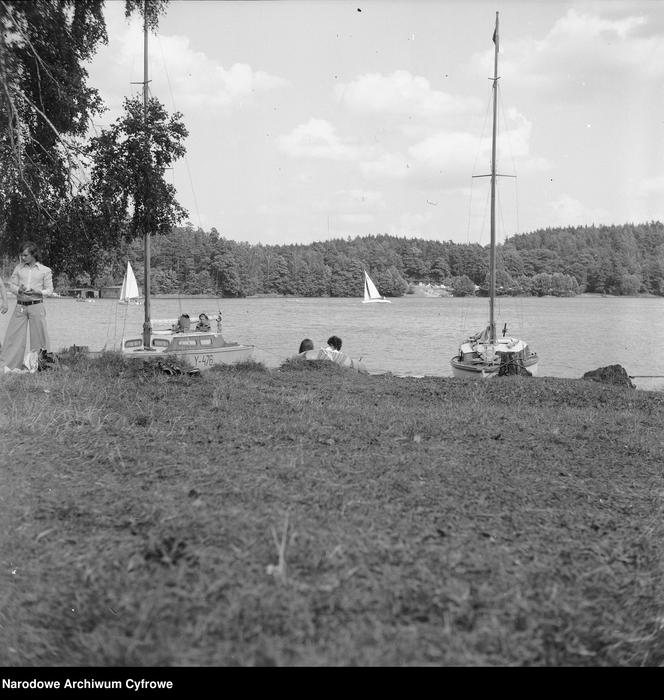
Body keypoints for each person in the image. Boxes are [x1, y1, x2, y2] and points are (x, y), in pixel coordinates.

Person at [0, 241, 55, 371]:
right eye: (21, 255)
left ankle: (40, 366)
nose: (22, 258)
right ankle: (8, 366)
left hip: (37, 305)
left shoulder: (45, 271)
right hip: (20, 306)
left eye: (25, 255)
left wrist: (38, 292)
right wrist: (19, 290)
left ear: (33, 254)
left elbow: (50, 290)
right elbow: (11, 285)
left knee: (39, 337)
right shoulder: (18, 268)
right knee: (13, 336)